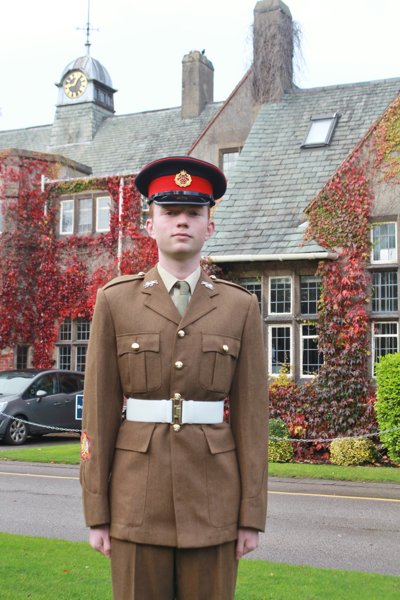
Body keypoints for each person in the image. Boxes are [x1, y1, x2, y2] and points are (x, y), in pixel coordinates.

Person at [80, 155, 268, 600]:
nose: (181, 222)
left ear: (210, 226)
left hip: (214, 500)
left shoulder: (240, 307)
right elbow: (98, 414)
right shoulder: (116, 301)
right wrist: (97, 511)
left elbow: (252, 421)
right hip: (134, 501)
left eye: (193, 214)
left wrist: (251, 515)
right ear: (150, 225)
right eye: (169, 212)